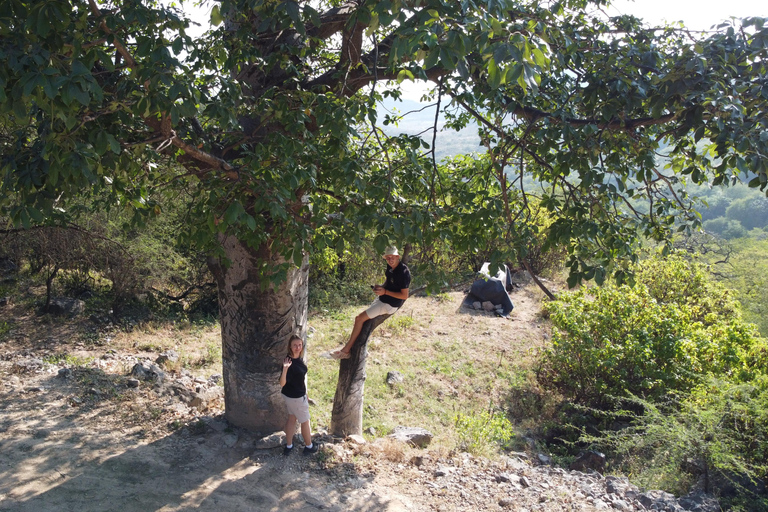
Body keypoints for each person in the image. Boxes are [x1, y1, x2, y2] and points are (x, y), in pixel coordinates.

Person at [331, 245, 411, 359]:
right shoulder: (390, 267)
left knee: (359, 319)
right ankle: (361, 350)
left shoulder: (403, 272)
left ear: (397, 257)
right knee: (363, 320)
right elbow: (388, 282)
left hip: (390, 304)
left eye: (392, 257)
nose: (390, 260)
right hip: (383, 298)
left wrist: (385, 292)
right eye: (388, 257)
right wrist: (381, 288)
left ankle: (346, 350)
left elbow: (405, 295)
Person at [279, 335, 318, 456]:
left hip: (291, 396)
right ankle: (309, 446)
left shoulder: (297, 358)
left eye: (300, 345)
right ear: (290, 346)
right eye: (295, 345)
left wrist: (305, 392)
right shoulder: (288, 362)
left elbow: (299, 379)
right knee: (305, 422)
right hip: (296, 398)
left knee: (291, 418)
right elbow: (282, 383)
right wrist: (285, 369)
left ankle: (289, 446)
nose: (297, 347)